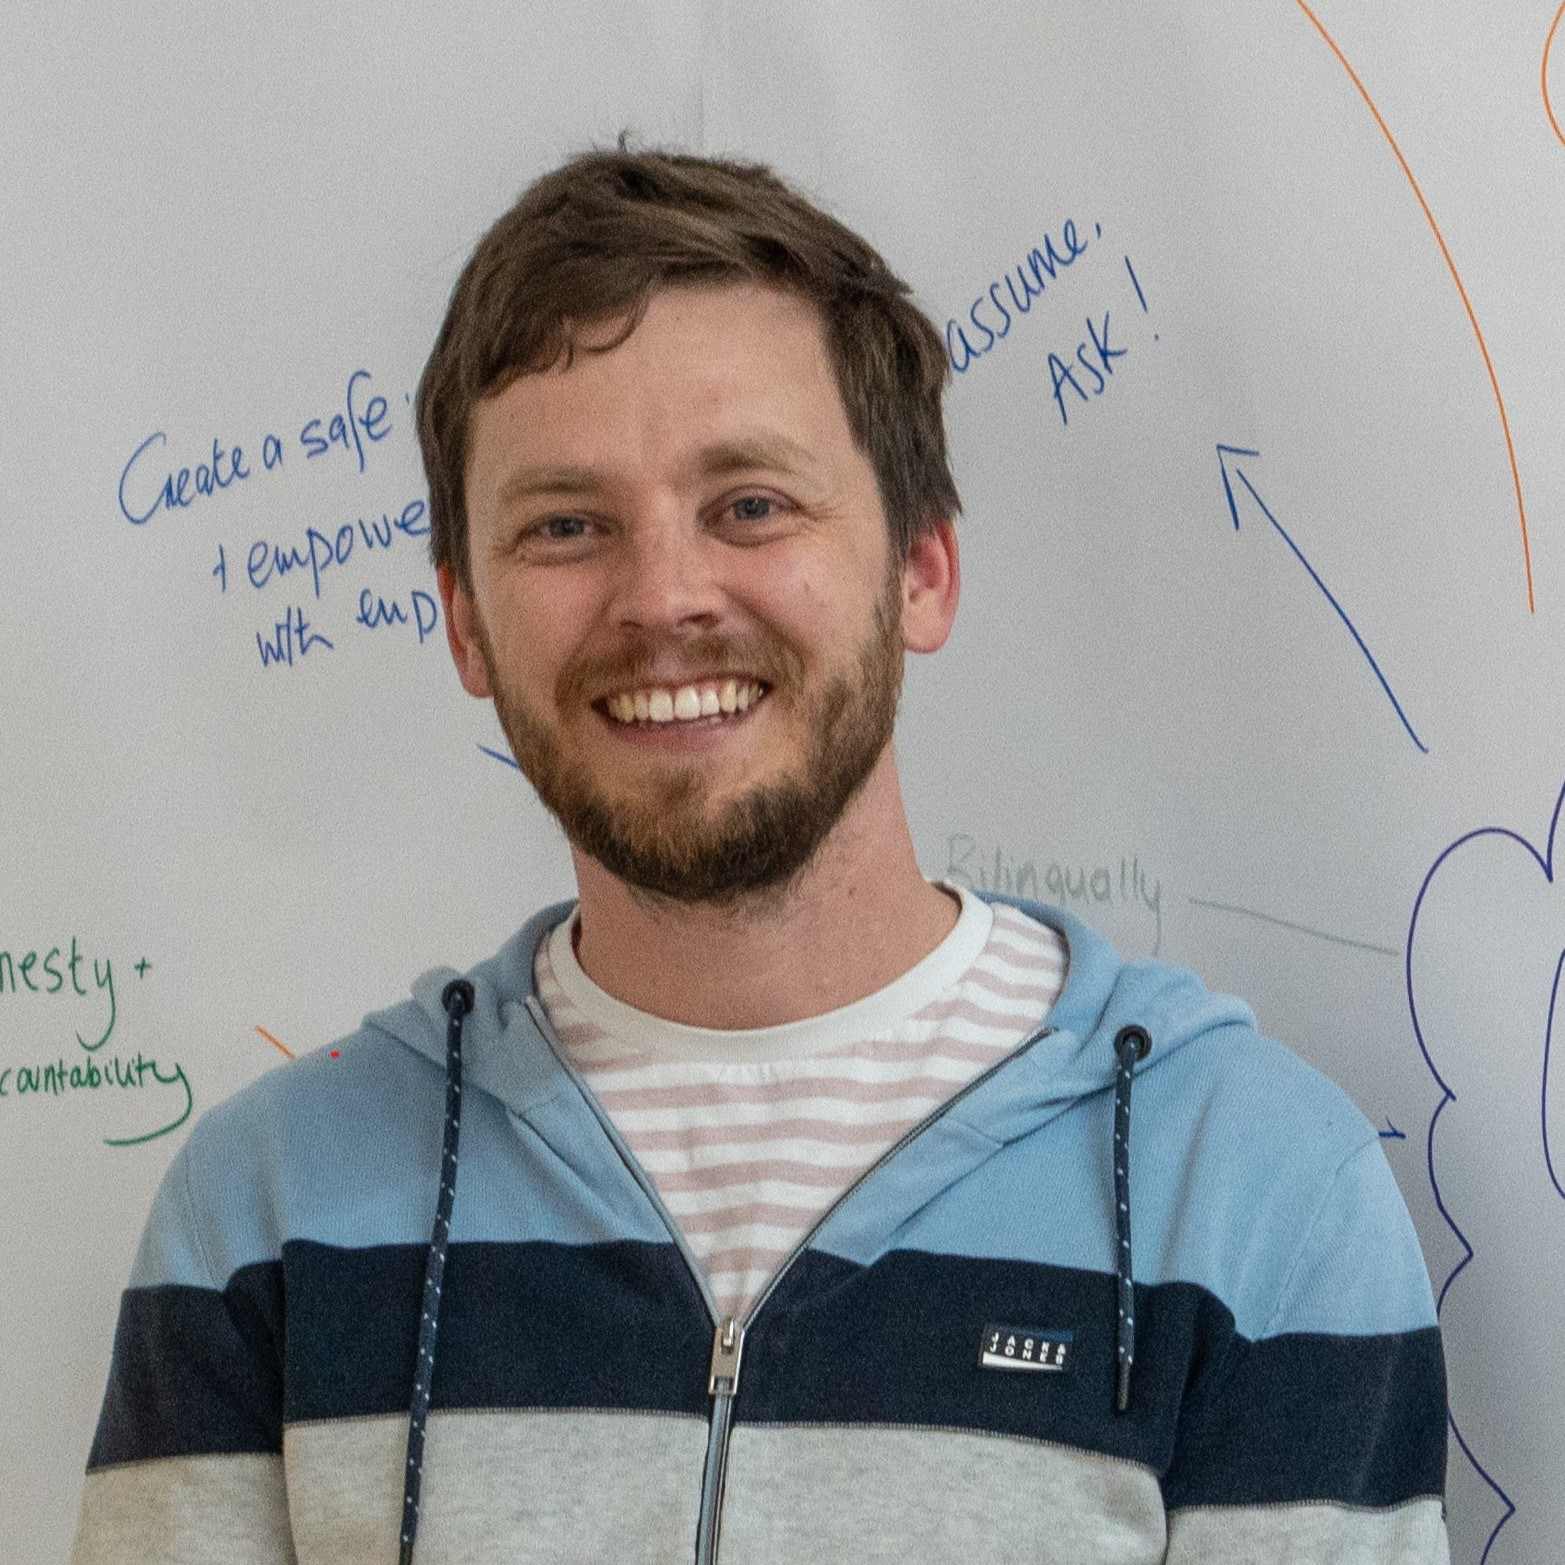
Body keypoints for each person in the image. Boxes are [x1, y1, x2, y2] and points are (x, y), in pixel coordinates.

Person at [72, 145, 1450, 1564]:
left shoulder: (1246, 1196)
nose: (662, 596)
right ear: (467, 623)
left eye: (750, 505)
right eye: (565, 526)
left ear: (921, 569)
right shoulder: (270, 1218)